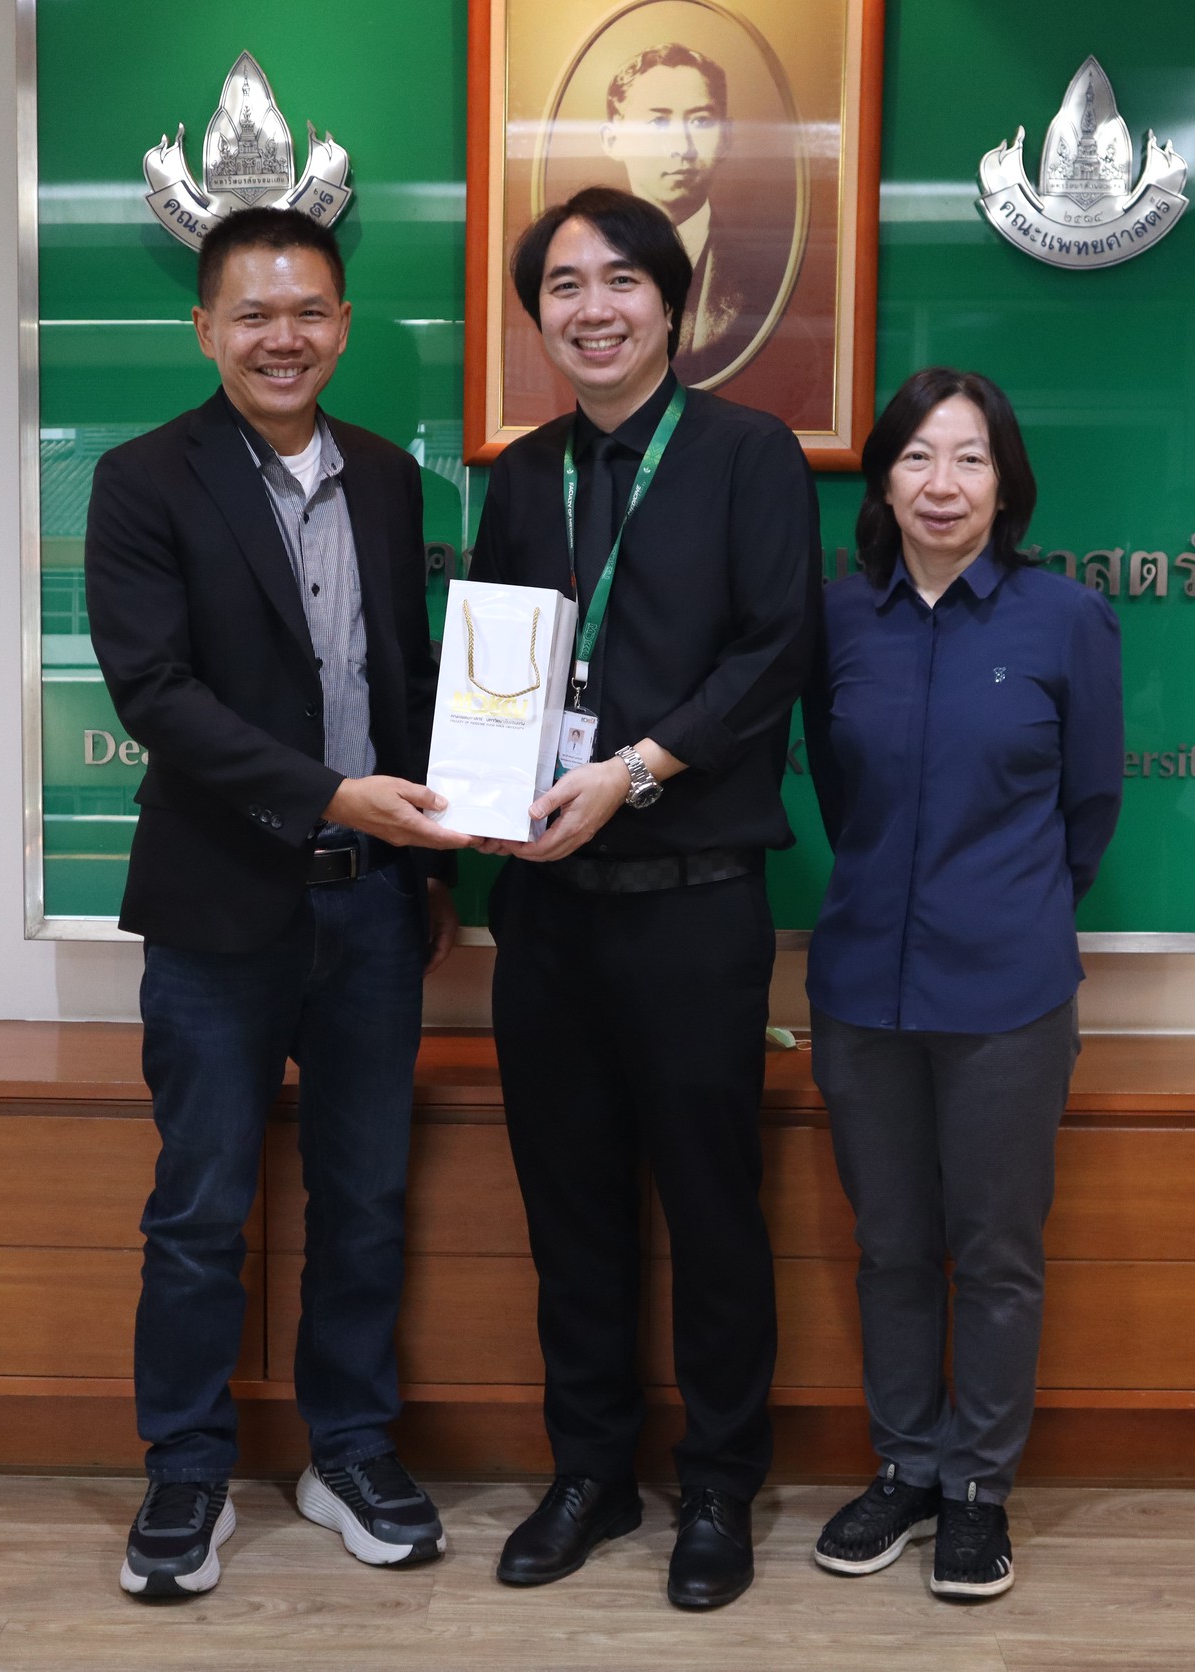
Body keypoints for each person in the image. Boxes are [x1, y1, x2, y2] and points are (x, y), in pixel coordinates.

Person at [84, 207, 472, 1600]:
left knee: (364, 1199)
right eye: (253, 315)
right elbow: (157, 694)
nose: (282, 338)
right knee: (199, 1208)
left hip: (372, 909)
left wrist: (433, 865)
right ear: (206, 329)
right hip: (218, 908)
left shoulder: (389, 478)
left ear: (344, 325)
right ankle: (186, 1467)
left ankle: (347, 1449)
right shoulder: (141, 480)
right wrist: (331, 795)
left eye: (308, 311)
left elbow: (405, 678)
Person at [470, 185, 820, 1610]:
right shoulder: (521, 475)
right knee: (570, 1209)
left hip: (693, 902)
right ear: (539, 318)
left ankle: (720, 1486)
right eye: (564, 287)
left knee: (712, 1211)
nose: (593, 308)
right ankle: (592, 1471)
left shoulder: (749, 456)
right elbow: (495, 669)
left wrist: (633, 770)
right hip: (548, 912)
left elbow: (776, 649)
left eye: (621, 280)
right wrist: (488, 799)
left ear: (672, 305)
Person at [800, 368, 1123, 1601]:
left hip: (1008, 997)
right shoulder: (840, 619)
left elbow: (1089, 806)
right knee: (890, 1246)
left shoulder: (1065, 620)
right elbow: (838, 790)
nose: (943, 484)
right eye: (919, 457)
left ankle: (979, 1486)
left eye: (970, 458)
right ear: (884, 480)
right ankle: (906, 1465)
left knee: (994, 1252)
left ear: (1005, 482)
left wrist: (1007, 908)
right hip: (861, 990)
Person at [598, 42, 786, 388]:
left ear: (726, 138)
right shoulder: (583, 272)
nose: (681, 147)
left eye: (700, 122)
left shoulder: (764, 277)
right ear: (613, 139)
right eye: (658, 123)